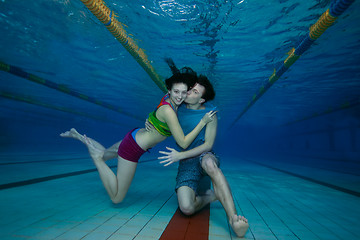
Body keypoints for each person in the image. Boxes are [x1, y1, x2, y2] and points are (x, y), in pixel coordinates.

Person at [60, 68, 216, 204]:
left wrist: (150, 117)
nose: (180, 96)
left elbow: (159, 110)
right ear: (169, 90)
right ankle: (95, 157)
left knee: (104, 154)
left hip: (134, 136)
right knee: (117, 198)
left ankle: (78, 136)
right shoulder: (169, 111)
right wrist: (203, 122)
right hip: (132, 148)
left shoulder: (170, 100)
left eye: (184, 92)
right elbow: (182, 143)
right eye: (176, 92)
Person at [156, 74, 249, 238]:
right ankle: (213, 196)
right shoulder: (177, 105)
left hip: (203, 155)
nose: (188, 93)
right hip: (186, 163)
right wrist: (150, 122)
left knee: (210, 164)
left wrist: (179, 155)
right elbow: (163, 105)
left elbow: (207, 145)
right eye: (190, 89)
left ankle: (233, 219)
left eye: (194, 92)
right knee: (186, 208)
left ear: (201, 100)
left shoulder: (210, 114)